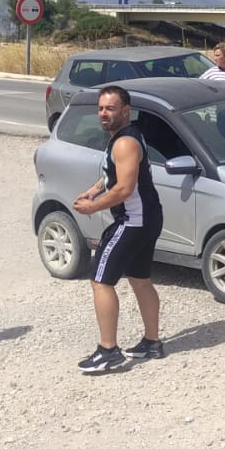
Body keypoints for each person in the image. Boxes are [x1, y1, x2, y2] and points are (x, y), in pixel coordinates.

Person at [72, 86, 165, 374]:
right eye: (101, 108)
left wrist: (94, 207)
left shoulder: (124, 143)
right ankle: (152, 342)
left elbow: (124, 188)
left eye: (110, 108)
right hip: (147, 217)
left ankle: (108, 351)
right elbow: (110, 175)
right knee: (140, 279)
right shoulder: (123, 138)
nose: (103, 113)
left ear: (125, 111)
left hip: (132, 220)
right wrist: (93, 190)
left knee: (101, 280)